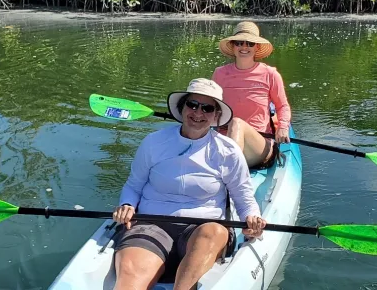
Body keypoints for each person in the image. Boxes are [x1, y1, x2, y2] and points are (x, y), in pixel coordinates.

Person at [111, 78, 267, 290]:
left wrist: (252, 219)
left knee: (213, 232)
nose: (198, 113)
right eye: (192, 105)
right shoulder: (153, 142)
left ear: (216, 116)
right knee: (129, 282)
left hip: (204, 227)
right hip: (150, 223)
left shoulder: (228, 151)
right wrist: (127, 204)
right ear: (182, 108)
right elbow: (133, 185)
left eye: (207, 108)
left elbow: (243, 197)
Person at [211, 21, 292, 169]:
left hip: (259, 143)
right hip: (223, 138)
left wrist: (283, 127)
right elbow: (211, 106)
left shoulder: (270, 74)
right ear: (233, 46)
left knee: (237, 123)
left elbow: (282, 106)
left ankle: (229, 175)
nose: (244, 47)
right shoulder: (220, 73)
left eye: (249, 43)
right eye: (239, 43)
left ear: (257, 47)